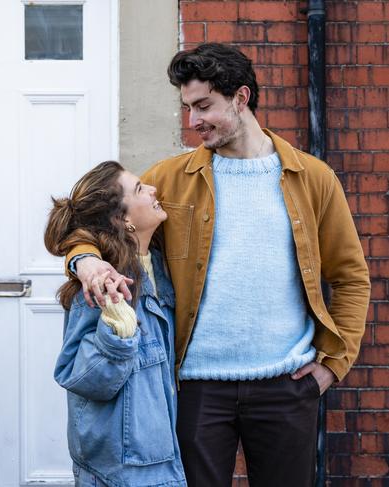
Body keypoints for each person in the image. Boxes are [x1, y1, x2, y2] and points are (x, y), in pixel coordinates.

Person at [65, 43, 370, 487]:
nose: (193, 121)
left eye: (204, 105)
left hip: (287, 385)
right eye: (188, 108)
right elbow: (92, 223)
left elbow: (350, 276)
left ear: (241, 98)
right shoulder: (169, 179)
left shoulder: (313, 178)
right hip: (196, 388)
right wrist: (85, 261)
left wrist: (333, 365)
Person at [45, 161, 187, 487]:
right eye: (139, 189)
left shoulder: (155, 269)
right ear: (123, 219)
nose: (153, 190)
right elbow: (82, 375)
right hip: (121, 471)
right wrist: (118, 331)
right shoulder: (103, 286)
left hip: (157, 459)